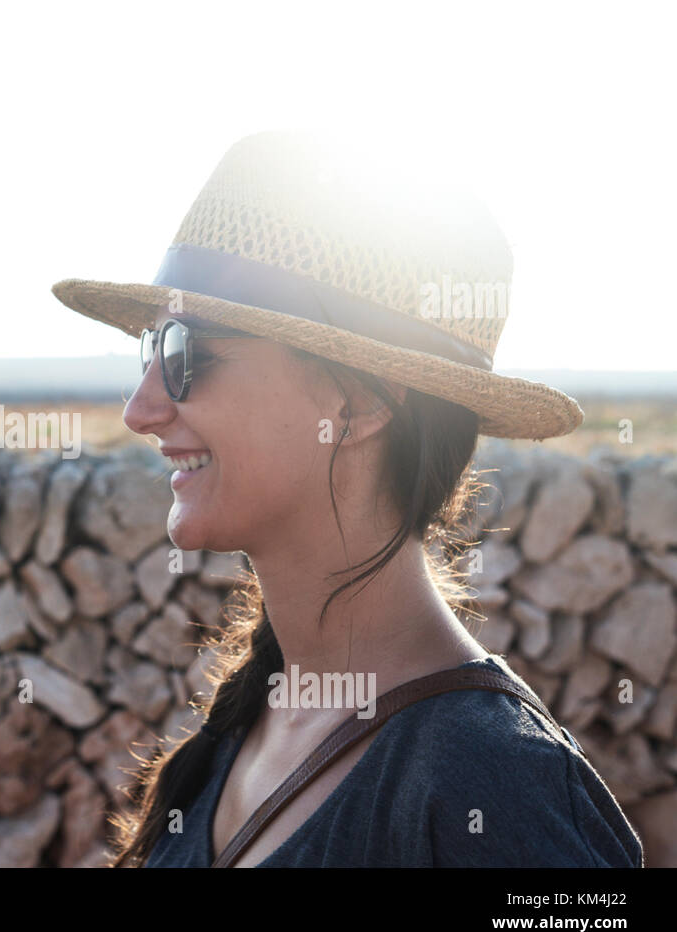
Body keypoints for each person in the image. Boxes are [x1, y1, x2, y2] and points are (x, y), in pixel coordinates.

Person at [50, 131, 644, 867]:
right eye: (152, 349)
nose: (140, 410)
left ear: (361, 403)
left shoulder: (498, 790)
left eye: (184, 354)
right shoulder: (252, 724)